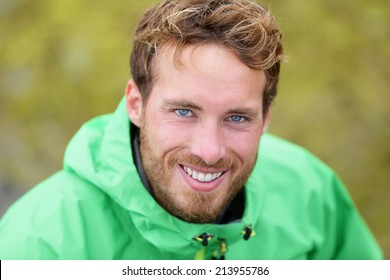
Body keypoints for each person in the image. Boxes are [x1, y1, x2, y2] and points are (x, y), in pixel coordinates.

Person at [0, 0, 382, 260]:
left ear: (265, 118)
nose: (210, 150)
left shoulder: (310, 192)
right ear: (136, 104)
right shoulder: (40, 245)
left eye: (237, 118)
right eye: (184, 111)